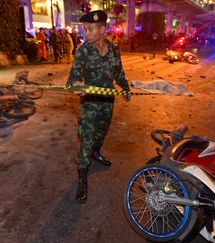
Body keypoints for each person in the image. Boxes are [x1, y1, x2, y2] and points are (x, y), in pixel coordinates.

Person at [66, 10, 131, 203]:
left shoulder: (113, 50)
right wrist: (76, 85)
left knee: (101, 133)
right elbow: (72, 79)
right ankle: (82, 178)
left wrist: (126, 88)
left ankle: (96, 152)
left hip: (107, 102)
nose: (86, 33)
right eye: (85, 29)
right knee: (86, 140)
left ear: (103, 29)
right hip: (89, 103)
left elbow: (119, 72)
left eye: (90, 29)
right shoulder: (83, 51)